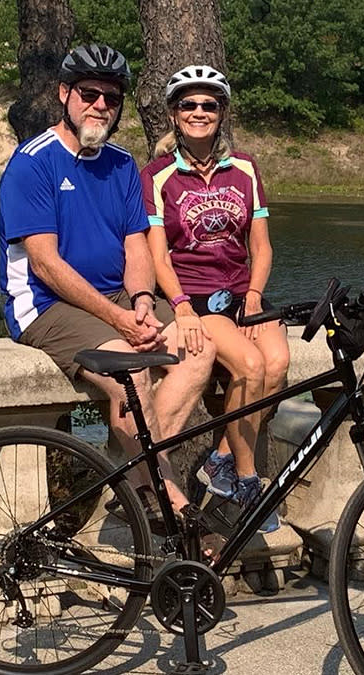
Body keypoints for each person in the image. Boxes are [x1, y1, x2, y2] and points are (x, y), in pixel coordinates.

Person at [0, 44, 215, 517]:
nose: (100, 105)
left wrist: (139, 299)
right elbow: (45, 265)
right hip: (44, 303)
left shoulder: (119, 164)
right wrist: (118, 318)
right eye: (89, 93)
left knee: (200, 348)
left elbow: (136, 245)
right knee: (132, 374)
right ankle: (164, 493)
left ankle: (136, 471)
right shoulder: (33, 163)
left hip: (118, 295)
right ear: (64, 94)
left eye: (111, 98)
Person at [140, 65, 290, 532]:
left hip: (244, 294)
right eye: (189, 104)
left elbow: (261, 245)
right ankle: (246, 478)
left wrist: (255, 294)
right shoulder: (158, 176)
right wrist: (181, 308)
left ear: (221, 113)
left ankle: (221, 458)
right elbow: (158, 256)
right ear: (173, 113)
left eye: (209, 105)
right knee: (248, 365)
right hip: (198, 301)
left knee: (279, 364)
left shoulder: (244, 168)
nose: (199, 112)